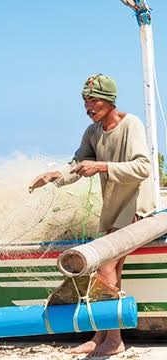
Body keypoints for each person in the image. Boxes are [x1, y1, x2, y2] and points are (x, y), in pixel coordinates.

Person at [28, 74, 156, 356]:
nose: (88, 106)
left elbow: (143, 167)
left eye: (93, 100)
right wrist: (54, 176)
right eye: (85, 101)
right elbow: (77, 162)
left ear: (110, 100)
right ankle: (101, 336)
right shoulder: (92, 131)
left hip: (136, 209)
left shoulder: (131, 124)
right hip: (113, 210)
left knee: (104, 270)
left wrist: (101, 167)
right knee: (112, 275)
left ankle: (114, 340)